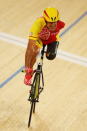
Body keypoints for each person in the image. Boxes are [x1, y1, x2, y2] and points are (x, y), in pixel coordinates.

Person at [24, 7, 65, 85]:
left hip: (52, 40)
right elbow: (29, 48)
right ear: (45, 20)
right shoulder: (37, 24)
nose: (53, 25)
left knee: (50, 56)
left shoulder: (61, 24)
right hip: (40, 39)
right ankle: (29, 73)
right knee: (34, 51)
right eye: (50, 22)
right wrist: (27, 67)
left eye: (55, 22)